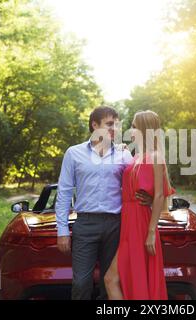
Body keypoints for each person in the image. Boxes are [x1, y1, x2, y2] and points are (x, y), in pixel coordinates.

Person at [55, 106, 152, 300]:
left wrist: (149, 197)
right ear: (94, 125)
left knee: (110, 283)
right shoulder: (74, 154)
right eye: (109, 124)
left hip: (116, 225)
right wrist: (62, 230)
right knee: (81, 283)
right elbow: (64, 192)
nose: (114, 128)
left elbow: (139, 182)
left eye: (116, 124)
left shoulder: (124, 154)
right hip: (85, 224)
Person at [104, 110, 175, 300]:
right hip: (128, 222)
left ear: (144, 129)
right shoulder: (137, 156)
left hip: (140, 225)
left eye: (134, 127)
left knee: (112, 278)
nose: (131, 130)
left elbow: (160, 195)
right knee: (117, 279)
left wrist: (151, 232)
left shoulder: (155, 156)